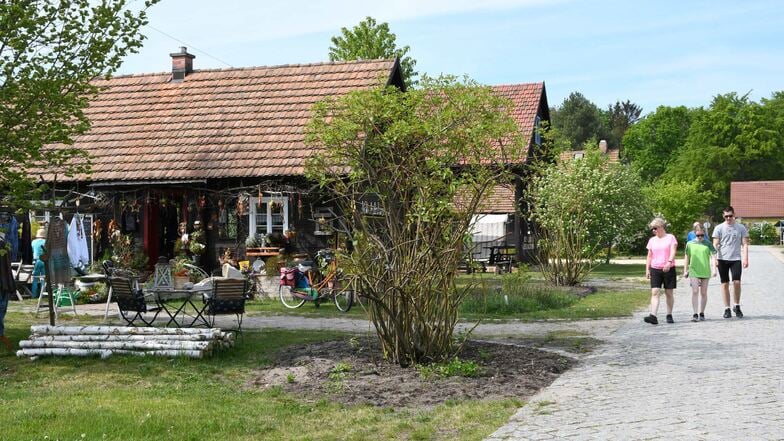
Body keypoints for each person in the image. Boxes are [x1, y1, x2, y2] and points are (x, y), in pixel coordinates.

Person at [712, 206, 749, 318]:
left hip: (736, 259)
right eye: (726, 216)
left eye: (730, 216)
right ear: (723, 216)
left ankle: (736, 305)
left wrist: (746, 258)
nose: (728, 218)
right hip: (722, 259)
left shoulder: (740, 227)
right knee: (725, 283)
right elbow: (714, 244)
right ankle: (727, 308)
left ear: (734, 215)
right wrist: (715, 259)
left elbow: (745, 244)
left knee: (737, 282)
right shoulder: (719, 228)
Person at [644, 217, 678, 325]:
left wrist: (669, 262)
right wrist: (647, 269)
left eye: (655, 228)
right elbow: (649, 256)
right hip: (655, 269)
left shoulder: (670, 238)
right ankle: (653, 315)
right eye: (652, 229)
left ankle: (669, 314)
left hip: (669, 268)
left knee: (669, 293)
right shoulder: (652, 240)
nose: (653, 231)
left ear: (661, 227)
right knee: (655, 292)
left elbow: (673, 251)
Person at [683, 226, 717, 321]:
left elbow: (713, 256)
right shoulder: (690, 244)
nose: (700, 237)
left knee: (703, 292)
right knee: (695, 291)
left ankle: (702, 312)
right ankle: (695, 313)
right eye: (698, 235)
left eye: (702, 235)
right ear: (695, 234)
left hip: (705, 270)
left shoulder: (708, 244)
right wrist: (685, 270)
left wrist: (714, 269)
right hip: (694, 270)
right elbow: (687, 257)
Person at [31, 227, 47, 299]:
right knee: (44, 278)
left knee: (35, 278)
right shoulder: (46, 242)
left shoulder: (33, 242)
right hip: (44, 261)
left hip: (36, 260)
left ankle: (34, 294)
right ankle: (42, 294)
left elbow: (32, 251)